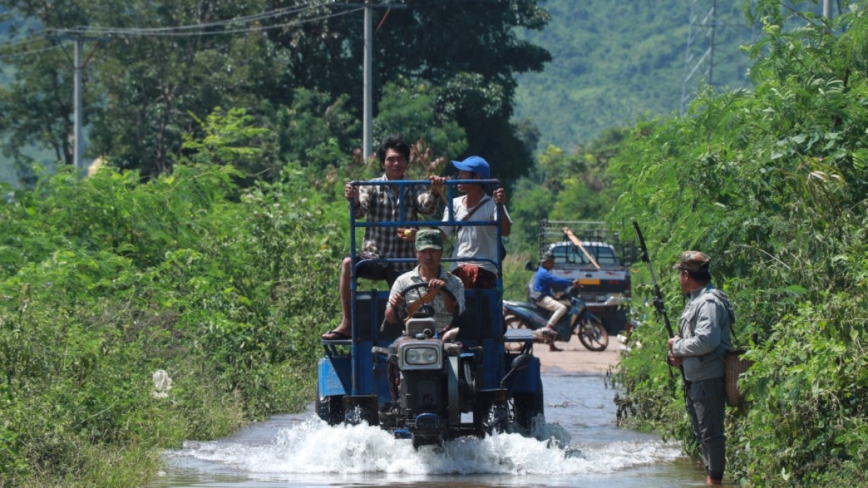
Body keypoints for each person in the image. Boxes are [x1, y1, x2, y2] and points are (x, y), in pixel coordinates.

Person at [322, 135, 444, 341]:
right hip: (375, 257)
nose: (396, 163)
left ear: (407, 162)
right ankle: (348, 323)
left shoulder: (413, 186)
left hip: (403, 260)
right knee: (347, 264)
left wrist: (434, 191)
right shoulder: (370, 186)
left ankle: (422, 331)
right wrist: (354, 200)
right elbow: (359, 212)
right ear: (382, 163)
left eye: (400, 159)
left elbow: (427, 207)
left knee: (419, 292)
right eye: (391, 159)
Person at [666, 251, 733, 486]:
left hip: (708, 378)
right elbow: (691, 344)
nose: (679, 278)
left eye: (679, 274)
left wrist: (678, 347)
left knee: (712, 436)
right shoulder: (695, 301)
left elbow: (707, 340)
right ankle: (711, 479)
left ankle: (714, 482)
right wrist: (675, 355)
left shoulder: (708, 302)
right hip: (695, 378)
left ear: (686, 274)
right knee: (704, 435)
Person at [432, 156, 512, 289]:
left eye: (463, 173)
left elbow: (505, 231)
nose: (459, 176)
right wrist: (417, 235)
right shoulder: (454, 204)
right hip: (457, 267)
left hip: (484, 269)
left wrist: (501, 206)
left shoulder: (493, 204)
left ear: (477, 177)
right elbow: (441, 235)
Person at [384, 229, 465, 337]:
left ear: (441, 252)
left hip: (445, 338)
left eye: (433, 251)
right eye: (423, 252)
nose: (428, 257)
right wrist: (394, 305)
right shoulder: (402, 281)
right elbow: (391, 319)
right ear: (416, 253)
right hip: (412, 338)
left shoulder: (455, 282)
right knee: (394, 350)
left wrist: (445, 292)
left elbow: (455, 312)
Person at [532, 250, 579, 351]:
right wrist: (571, 283)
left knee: (557, 312)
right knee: (562, 308)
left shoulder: (543, 271)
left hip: (543, 296)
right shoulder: (544, 273)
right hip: (541, 298)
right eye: (551, 262)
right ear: (546, 262)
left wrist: (554, 297)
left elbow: (547, 288)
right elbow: (555, 280)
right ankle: (548, 327)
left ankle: (551, 345)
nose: (553, 263)